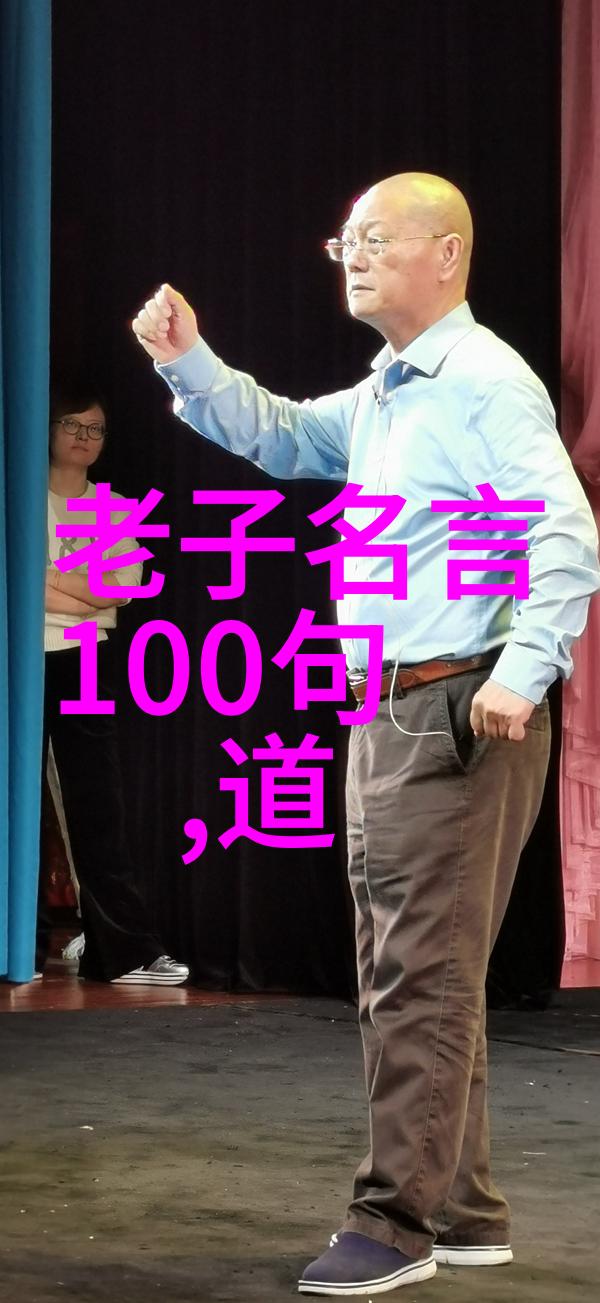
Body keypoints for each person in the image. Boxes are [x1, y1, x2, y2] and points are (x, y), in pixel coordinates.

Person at [132, 172, 600, 1294]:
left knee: (417, 977)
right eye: (347, 238)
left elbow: (566, 532)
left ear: (447, 253)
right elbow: (286, 434)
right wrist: (189, 360)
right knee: (419, 971)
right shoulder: (392, 387)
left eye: (379, 238)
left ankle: (394, 1222)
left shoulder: (483, 380)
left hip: (455, 705)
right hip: (391, 709)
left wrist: (524, 671)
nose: (353, 253)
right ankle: (465, 1207)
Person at [38, 382, 190, 986]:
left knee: (98, 806)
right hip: (23, 656)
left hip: (84, 658)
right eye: (72, 425)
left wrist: (50, 578)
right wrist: (80, 587)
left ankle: (123, 949)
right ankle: (22, 945)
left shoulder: (114, 507)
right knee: (20, 805)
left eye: (95, 429)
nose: (84, 437)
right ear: (48, 429)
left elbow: (120, 589)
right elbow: (25, 581)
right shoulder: (22, 495)